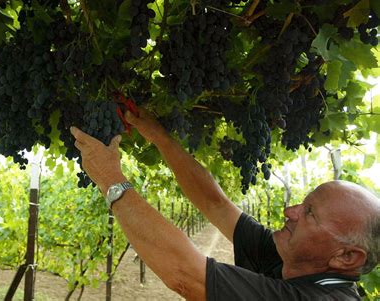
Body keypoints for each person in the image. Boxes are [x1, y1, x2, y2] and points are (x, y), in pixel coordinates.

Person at [70, 107, 380, 300]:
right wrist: (160, 138)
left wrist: (110, 178)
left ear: (347, 256)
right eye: (302, 203)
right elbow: (215, 203)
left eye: (309, 213)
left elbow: (183, 274)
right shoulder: (291, 258)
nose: (290, 211)